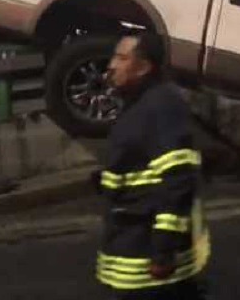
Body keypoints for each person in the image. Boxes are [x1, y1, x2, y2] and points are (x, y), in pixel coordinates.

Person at [93, 33, 210, 299]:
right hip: (129, 254)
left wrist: (162, 251)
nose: (111, 65)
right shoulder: (139, 105)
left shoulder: (161, 107)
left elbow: (178, 181)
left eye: (122, 58)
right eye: (114, 56)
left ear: (144, 67)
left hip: (146, 266)